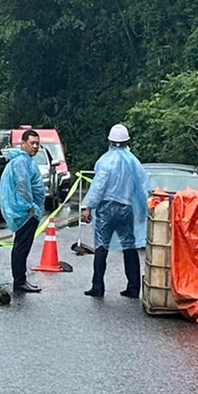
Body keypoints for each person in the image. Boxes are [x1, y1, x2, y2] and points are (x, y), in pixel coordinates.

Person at [80, 123, 151, 299]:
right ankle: (133, 287)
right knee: (129, 245)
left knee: (101, 246)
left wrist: (89, 206)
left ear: (110, 141)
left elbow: (99, 186)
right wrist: (144, 210)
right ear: (127, 141)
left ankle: (98, 287)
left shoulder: (105, 161)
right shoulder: (134, 161)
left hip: (107, 208)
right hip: (126, 208)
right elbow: (143, 187)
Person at [0, 128, 47, 295]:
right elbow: (22, 186)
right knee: (21, 247)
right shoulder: (21, 162)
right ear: (23, 143)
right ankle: (19, 281)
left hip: (25, 210)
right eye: (32, 143)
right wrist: (29, 207)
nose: (35, 146)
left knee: (22, 246)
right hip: (25, 212)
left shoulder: (24, 160)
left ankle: (20, 280)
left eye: (37, 144)